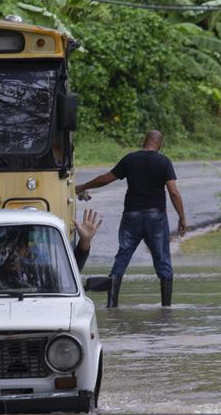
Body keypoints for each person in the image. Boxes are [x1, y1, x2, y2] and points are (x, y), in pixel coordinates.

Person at [74, 130, 186, 307]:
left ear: (144, 141)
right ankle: (166, 309)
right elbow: (174, 192)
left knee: (122, 257)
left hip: (131, 216)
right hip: (156, 217)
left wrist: (82, 186)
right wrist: (182, 218)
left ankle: (112, 305)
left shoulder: (130, 159)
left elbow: (105, 179)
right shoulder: (164, 161)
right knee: (163, 260)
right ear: (160, 145)